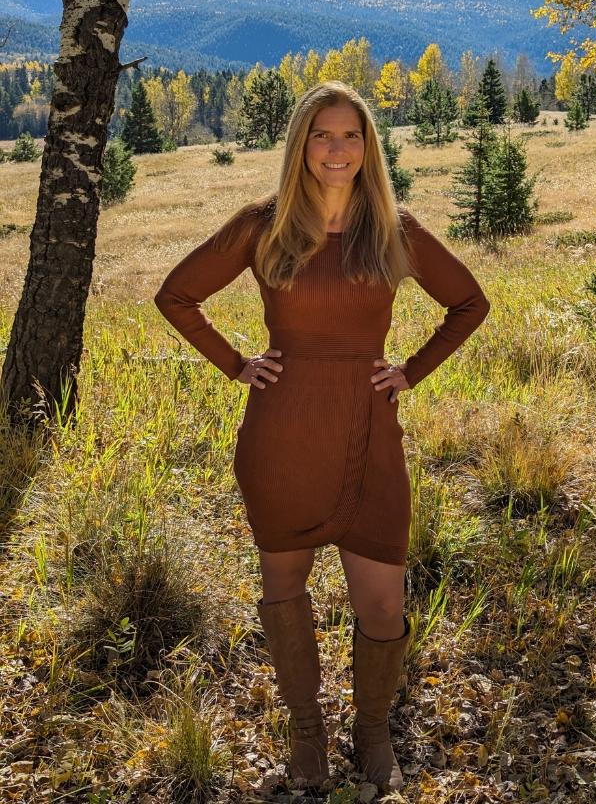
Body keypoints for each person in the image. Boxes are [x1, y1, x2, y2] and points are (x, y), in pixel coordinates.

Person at [153, 80, 490, 792]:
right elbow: (175, 295)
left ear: (368, 147)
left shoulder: (395, 229)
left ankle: (372, 731)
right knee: (285, 587)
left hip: (371, 434)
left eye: (350, 136)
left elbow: (469, 302)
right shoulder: (262, 224)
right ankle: (307, 735)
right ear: (300, 145)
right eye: (322, 135)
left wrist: (413, 371)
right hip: (282, 436)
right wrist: (237, 363)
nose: (336, 150)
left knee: (383, 604)